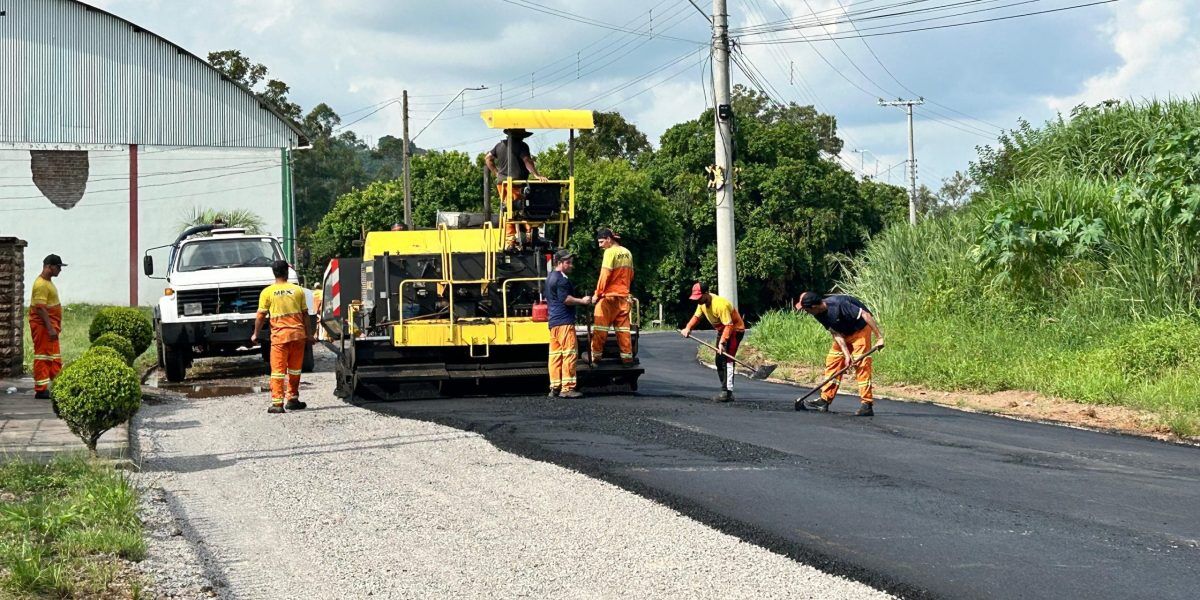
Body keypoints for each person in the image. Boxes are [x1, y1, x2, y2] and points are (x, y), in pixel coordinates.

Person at [794, 292, 885, 416]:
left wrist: (879, 337)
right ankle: (824, 400)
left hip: (860, 331)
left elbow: (866, 315)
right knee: (833, 361)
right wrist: (847, 355)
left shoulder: (839, 304)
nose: (805, 312)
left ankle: (867, 405)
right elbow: (835, 333)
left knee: (861, 364)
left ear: (813, 307)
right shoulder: (818, 314)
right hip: (843, 333)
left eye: (806, 309)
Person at [251, 260, 313, 414]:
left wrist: (255, 334)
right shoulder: (298, 291)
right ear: (287, 272)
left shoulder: (267, 292)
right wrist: (309, 334)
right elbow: (305, 315)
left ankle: (277, 403)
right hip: (298, 336)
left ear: (274, 273)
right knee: (295, 370)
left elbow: (260, 316)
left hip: (280, 338)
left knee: (278, 371)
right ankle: (292, 399)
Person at [680, 282, 746, 402]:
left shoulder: (720, 304)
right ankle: (724, 389)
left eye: (699, 297)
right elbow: (697, 317)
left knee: (727, 359)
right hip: (723, 330)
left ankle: (727, 392)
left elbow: (729, 325)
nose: (697, 300)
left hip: (735, 330)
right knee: (719, 360)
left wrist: (723, 342)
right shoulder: (702, 303)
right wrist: (688, 328)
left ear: (706, 293)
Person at [484, 128, 549, 249]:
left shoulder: (499, 145)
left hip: (502, 184)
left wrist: (496, 173)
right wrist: (537, 175)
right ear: (520, 136)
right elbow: (527, 160)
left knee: (508, 210)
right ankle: (529, 235)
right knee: (523, 209)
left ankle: (510, 240)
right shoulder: (522, 146)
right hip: (515, 184)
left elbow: (487, 158)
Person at [544, 249, 592, 399]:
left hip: (554, 323)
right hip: (564, 321)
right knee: (569, 354)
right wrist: (582, 301)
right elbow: (566, 299)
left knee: (555, 356)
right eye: (568, 263)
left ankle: (555, 387)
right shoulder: (562, 280)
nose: (571, 265)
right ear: (559, 263)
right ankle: (568, 388)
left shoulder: (550, 277)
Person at [590, 228, 634, 365]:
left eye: (602, 242)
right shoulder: (627, 252)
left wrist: (597, 294)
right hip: (623, 298)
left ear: (609, 239)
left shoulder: (609, 253)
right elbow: (631, 275)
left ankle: (595, 359)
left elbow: (605, 275)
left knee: (600, 330)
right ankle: (627, 359)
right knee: (623, 331)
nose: (600, 245)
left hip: (608, 299)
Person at [29, 254, 65, 400]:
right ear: (48, 267)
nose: (60, 270)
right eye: (58, 267)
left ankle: (58, 384)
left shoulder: (47, 282)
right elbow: (40, 308)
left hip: (50, 326)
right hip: (43, 327)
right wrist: (50, 328)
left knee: (53, 356)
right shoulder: (41, 285)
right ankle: (41, 389)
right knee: (43, 356)